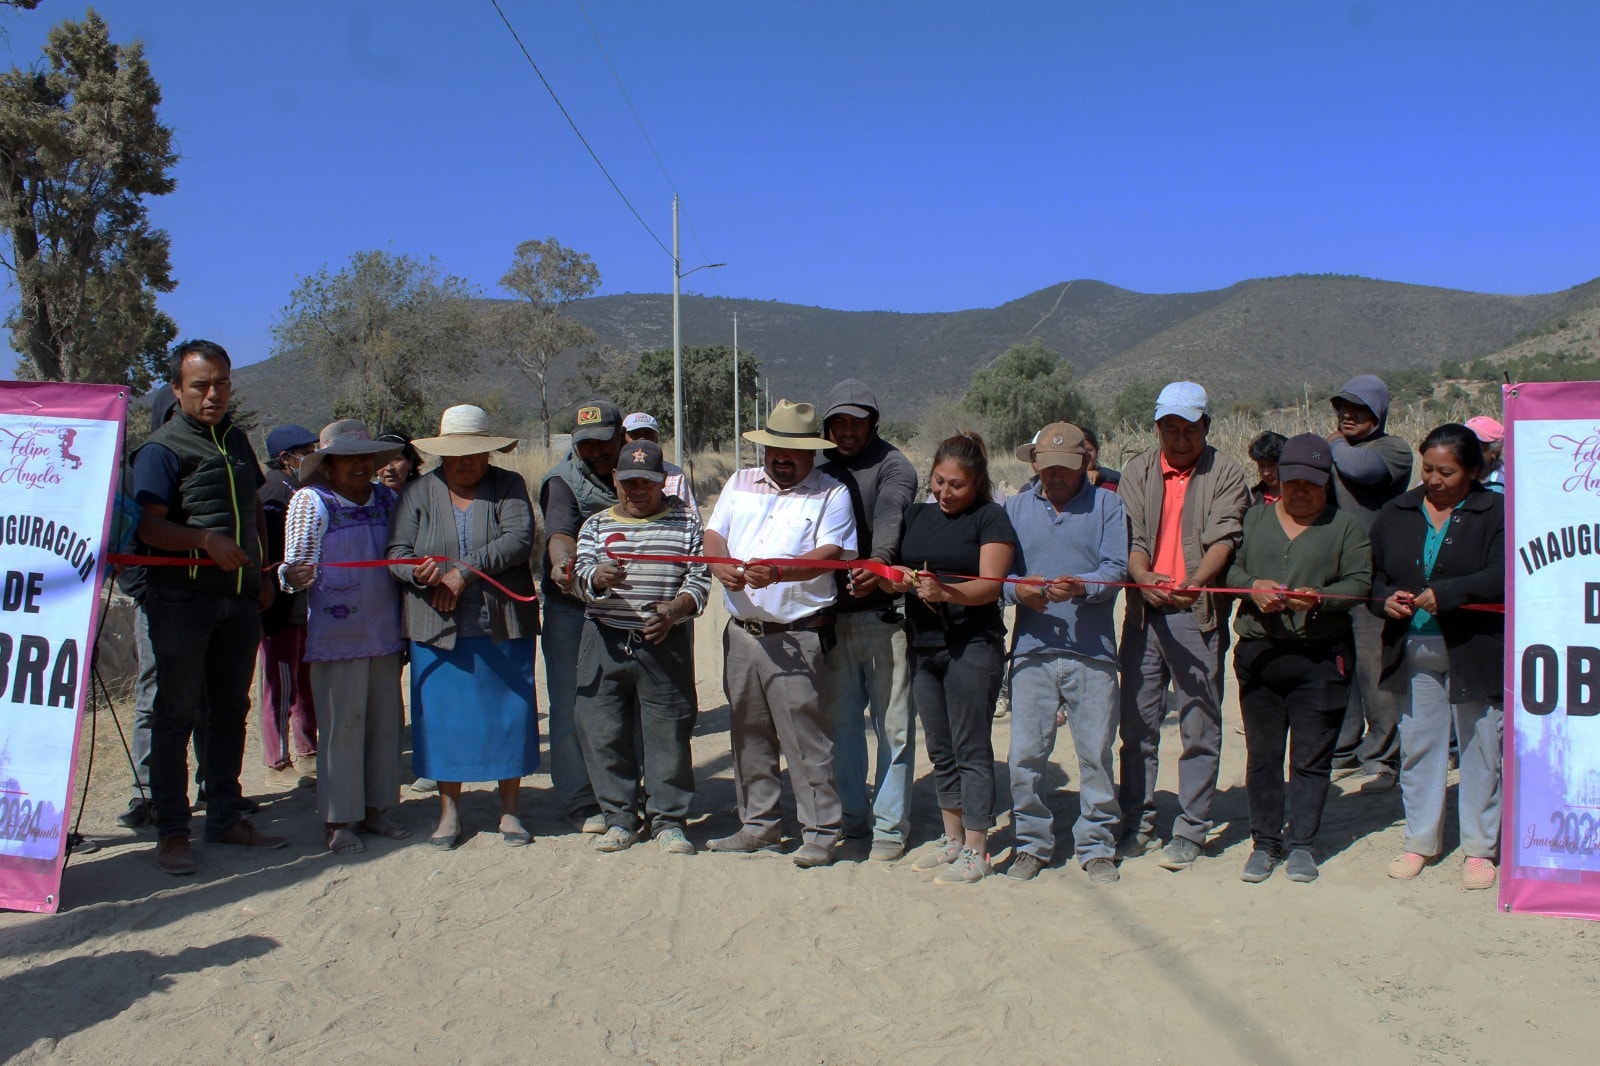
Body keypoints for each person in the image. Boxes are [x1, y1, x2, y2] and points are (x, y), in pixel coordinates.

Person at [133, 340, 286, 875]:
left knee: (228, 712)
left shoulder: (238, 440)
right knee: (175, 715)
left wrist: (262, 572)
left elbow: (254, 511)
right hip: (180, 602)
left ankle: (225, 817)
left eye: (222, 382)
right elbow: (147, 526)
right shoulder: (161, 449)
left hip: (237, 599)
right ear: (177, 390)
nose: (214, 393)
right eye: (201, 385)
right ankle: (173, 831)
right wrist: (203, 540)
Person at [704, 400, 857, 868]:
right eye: (773, 448)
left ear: (813, 453)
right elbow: (715, 534)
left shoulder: (832, 493)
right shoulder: (739, 482)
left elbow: (834, 554)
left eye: (792, 451)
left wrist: (781, 573)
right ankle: (759, 825)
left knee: (804, 736)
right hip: (742, 635)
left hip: (796, 636)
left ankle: (821, 830)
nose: (781, 457)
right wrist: (718, 565)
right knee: (748, 733)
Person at [388, 405, 539, 849]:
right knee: (441, 719)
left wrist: (463, 572)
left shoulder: (508, 485)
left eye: (475, 454)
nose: (466, 462)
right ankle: (448, 812)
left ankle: (510, 810)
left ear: (489, 453)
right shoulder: (417, 492)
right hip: (436, 627)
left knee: (508, 712)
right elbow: (397, 552)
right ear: (442, 455)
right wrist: (419, 573)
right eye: (457, 455)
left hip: (501, 623)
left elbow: (518, 539)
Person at [1117, 381, 1250, 871]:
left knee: (1199, 722)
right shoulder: (1138, 470)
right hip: (1144, 611)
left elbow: (1225, 536)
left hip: (1197, 612)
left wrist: (1197, 581)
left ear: (1206, 428)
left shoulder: (1226, 472)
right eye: (1170, 428)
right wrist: (1141, 575)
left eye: (1189, 429)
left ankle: (1192, 828)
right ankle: (1137, 819)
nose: (1179, 438)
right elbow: (1131, 535)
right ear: (1157, 428)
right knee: (1137, 722)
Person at [1227, 434, 1372, 884]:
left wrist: (1321, 599)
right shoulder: (1254, 519)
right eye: (1293, 482)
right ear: (1279, 480)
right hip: (1262, 654)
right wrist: (1253, 587)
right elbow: (1231, 569)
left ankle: (1304, 844)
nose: (1301, 491)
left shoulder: (1346, 528)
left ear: (1326, 482)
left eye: (1312, 483)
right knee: (1263, 756)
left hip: (1321, 660)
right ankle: (1265, 842)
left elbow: (1359, 583)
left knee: (1311, 757)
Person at [1369, 424, 1505, 890]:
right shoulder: (1396, 512)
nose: (1433, 479)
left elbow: (1503, 574)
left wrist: (1445, 593)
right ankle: (1419, 841)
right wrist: (1384, 600)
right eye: (1428, 468)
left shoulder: (1496, 512)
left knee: (1481, 746)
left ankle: (1479, 849)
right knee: (1420, 745)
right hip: (1414, 646)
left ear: (1472, 470)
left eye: (1446, 471)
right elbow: (1374, 577)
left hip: (1477, 647)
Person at [887, 432, 1016, 884]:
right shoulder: (917, 514)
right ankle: (953, 839)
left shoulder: (991, 518)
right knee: (941, 749)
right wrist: (896, 579)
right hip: (924, 646)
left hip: (972, 647)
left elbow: (991, 585)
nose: (945, 492)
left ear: (977, 483)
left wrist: (946, 591)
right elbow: (897, 571)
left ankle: (978, 850)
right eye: (939, 481)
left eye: (956, 485)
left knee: (971, 748)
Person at [570, 439, 710, 854]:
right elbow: (578, 577)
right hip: (605, 640)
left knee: (668, 730)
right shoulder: (595, 526)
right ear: (615, 480)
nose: (636, 490)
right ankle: (619, 818)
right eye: (628, 481)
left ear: (662, 481)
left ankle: (668, 820)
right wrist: (597, 579)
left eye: (646, 482)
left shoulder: (686, 524)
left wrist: (674, 610)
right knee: (603, 730)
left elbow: (699, 581)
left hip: (663, 642)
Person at [1003, 423, 1128, 884]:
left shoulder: (1109, 505)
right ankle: (1032, 844)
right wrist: (1022, 594)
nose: (1055, 477)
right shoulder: (1015, 508)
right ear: (1034, 464)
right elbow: (1000, 577)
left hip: (1093, 652)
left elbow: (1115, 569)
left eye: (1066, 469)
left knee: (1095, 752)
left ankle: (1097, 845)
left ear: (1085, 464)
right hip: (1032, 650)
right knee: (1025, 755)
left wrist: (1084, 587)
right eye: (1048, 467)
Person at [280, 421, 411, 854]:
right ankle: (338, 819)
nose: (358, 465)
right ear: (328, 465)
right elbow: (292, 568)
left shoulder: (388, 500)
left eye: (364, 458)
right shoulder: (311, 502)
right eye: (346, 458)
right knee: (341, 727)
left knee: (383, 724)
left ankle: (376, 810)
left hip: (384, 629)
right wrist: (292, 576)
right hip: (338, 635)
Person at [817, 378, 919, 861]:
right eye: (838, 421)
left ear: (873, 423)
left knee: (894, 726)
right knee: (842, 728)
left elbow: (891, 515)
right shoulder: (816, 465)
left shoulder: (894, 465)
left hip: (883, 616)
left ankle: (890, 827)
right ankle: (854, 820)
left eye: (856, 421)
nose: (847, 430)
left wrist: (876, 566)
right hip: (831, 618)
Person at [539, 399, 623, 833]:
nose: (592, 452)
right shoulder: (562, 479)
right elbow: (559, 531)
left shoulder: (638, 469)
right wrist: (562, 564)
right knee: (571, 703)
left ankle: (624, 793)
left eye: (601, 443)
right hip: (571, 609)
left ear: (621, 436)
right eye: (584, 444)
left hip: (625, 609)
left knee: (623, 701)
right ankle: (579, 799)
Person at [1326, 374, 1413, 791]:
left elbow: (1359, 470)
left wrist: (1334, 445)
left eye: (1358, 408)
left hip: (1378, 576)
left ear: (1378, 413)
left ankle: (1383, 758)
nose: (1347, 415)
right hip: (1338, 576)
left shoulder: (1391, 449)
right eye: (1343, 407)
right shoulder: (1338, 451)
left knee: (1375, 669)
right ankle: (1344, 749)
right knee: (1341, 667)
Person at [374, 431, 436, 794]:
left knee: (425, 683)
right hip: (380, 603)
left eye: (397, 457)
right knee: (385, 685)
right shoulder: (368, 499)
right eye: (381, 459)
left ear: (412, 461)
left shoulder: (428, 494)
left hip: (424, 597)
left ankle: (430, 759)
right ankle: (386, 763)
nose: (389, 466)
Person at [258, 423, 320, 786]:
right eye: (306, 451)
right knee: (279, 681)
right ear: (286, 458)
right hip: (279, 606)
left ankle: (307, 749)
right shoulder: (272, 491)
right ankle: (277, 758)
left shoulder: (300, 489)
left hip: (302, 603)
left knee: (304, 677)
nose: (311, 457)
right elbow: (269, 551)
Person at [621, 411, 699, 516]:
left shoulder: (675, 474)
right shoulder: (618, 472)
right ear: (623, 438)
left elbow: (691, 516)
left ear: (657, 438)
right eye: (635, 435)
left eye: (648, 435)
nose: (642, 440)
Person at [1465, 415, 1505, 493]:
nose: (1467, 449)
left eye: (1475, 444)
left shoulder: (1507, 482)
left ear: (1494, 451)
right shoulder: (1453, 476)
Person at [1247, 430, 1287, 507]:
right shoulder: (1253, 499)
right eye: (1261, 466)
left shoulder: (1298, 496)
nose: (1266, 473)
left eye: (1272, 465)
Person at [1082, 427, 1120, 491]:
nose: (1084, 455)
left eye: (1088, 450)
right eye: (1077, 451)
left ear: (1097, 452)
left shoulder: (1108, 488)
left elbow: (1124, 479)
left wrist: (1100, 473)